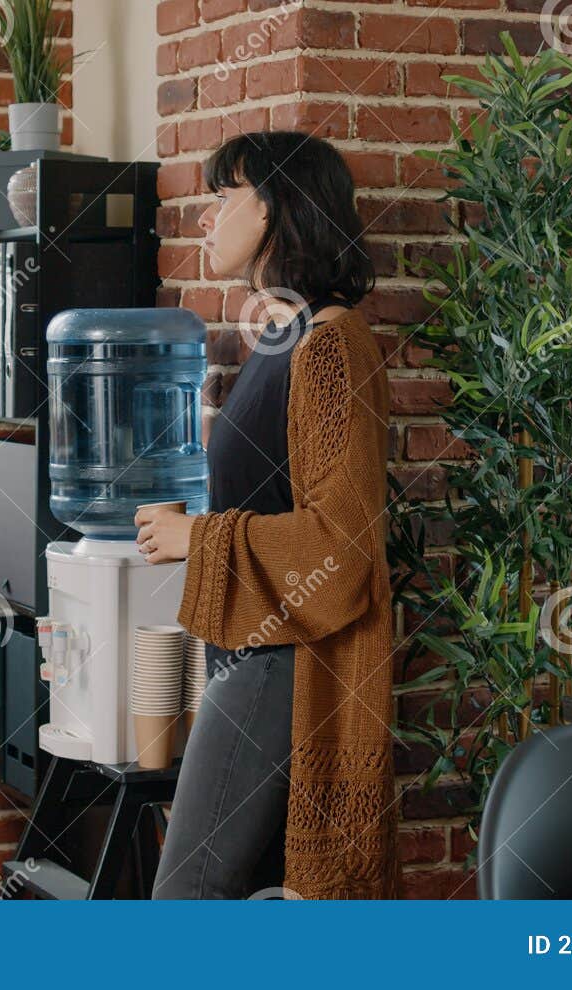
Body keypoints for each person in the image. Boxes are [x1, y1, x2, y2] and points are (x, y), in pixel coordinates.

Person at [137, 130, 398, 899]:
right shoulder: (285, 336)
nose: (205, 220)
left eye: (223, 197)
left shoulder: (328, 343)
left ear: (277, 206)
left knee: (186, 898)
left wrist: (200, 536)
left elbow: (342, 546)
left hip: (288, 665)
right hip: (260, 654)